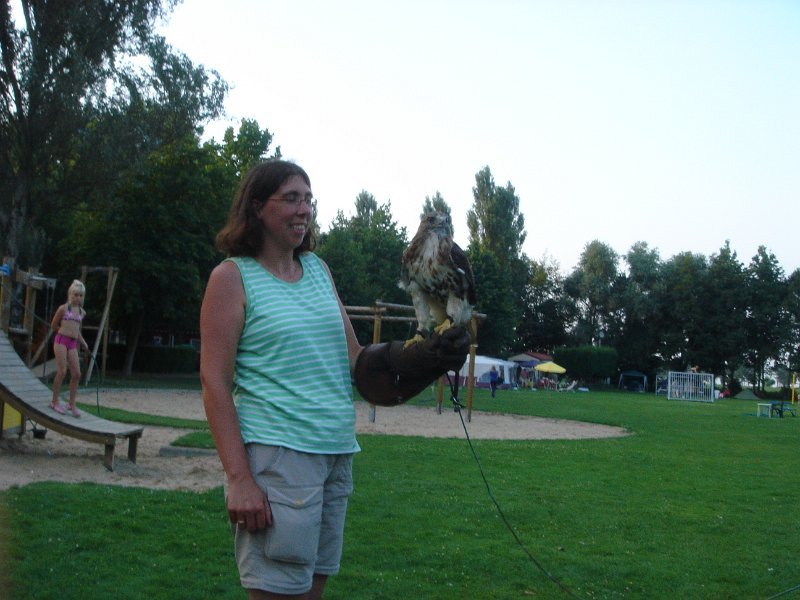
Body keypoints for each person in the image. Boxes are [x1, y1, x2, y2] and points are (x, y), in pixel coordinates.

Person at [200, 160, 469, 600]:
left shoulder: (319, 271)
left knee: (310, 592)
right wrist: (239, 478)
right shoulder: (232, 278)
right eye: (290, 198)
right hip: (279, 459)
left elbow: (356, 360)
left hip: (335, 455)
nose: (303, 209)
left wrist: (422, 358)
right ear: (255, 207)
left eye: (308, 199)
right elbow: (214, 383)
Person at [49, 279, 90, 417]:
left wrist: (83, 342)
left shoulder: (81, 312)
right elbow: (54, 325)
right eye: (76, 294)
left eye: (80, 295)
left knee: (77, 374)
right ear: (70, 294)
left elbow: (76, 330)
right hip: (61, 340)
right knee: (62, 371)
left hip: (72, 343)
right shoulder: (63, 308)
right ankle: (54, 401)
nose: (78, 297)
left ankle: (71, 403)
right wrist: (63, 331)